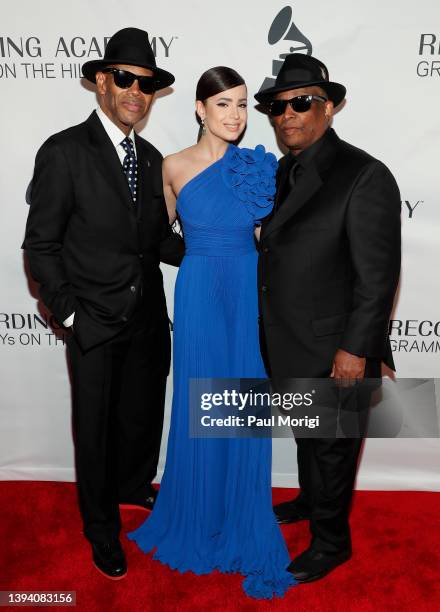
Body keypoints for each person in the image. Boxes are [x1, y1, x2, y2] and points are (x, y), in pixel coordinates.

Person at [128, 66, 295, 599]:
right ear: (199, 108)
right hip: (199, 291)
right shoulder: (171, 166)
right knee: (200, 403)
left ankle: (240, 514)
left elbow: (269, 240)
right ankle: (198, 514)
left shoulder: (258, 168)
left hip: (246, 290)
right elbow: (162, 237)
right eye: (223, 104)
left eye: (243, 105)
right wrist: (203, 256)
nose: (235, 116)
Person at [22, 28, 184, 579]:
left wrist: (220, 247)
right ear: (101, 84)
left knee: (142, 416)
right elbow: (40, 245)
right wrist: (68, 314)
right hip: (92, 318)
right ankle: (100, 528)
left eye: (145, 82)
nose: (135, 90)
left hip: (147, 320)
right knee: (94, 428)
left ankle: (135, 487)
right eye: (123, 79)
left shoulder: (154, 155)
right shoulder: (65, 151)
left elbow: (159, 239)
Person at [255, 53, 401, 583]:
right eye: (278, 105)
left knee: (335, 449)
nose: (287, 114)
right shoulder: (283, 170)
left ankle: (332, 542)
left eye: (302, 103)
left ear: (329, 107)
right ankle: (310, 502)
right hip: (291, 339)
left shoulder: (363, 174)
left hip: (336, 345)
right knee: (307, 437)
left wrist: (355, 348)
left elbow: (377, 276)